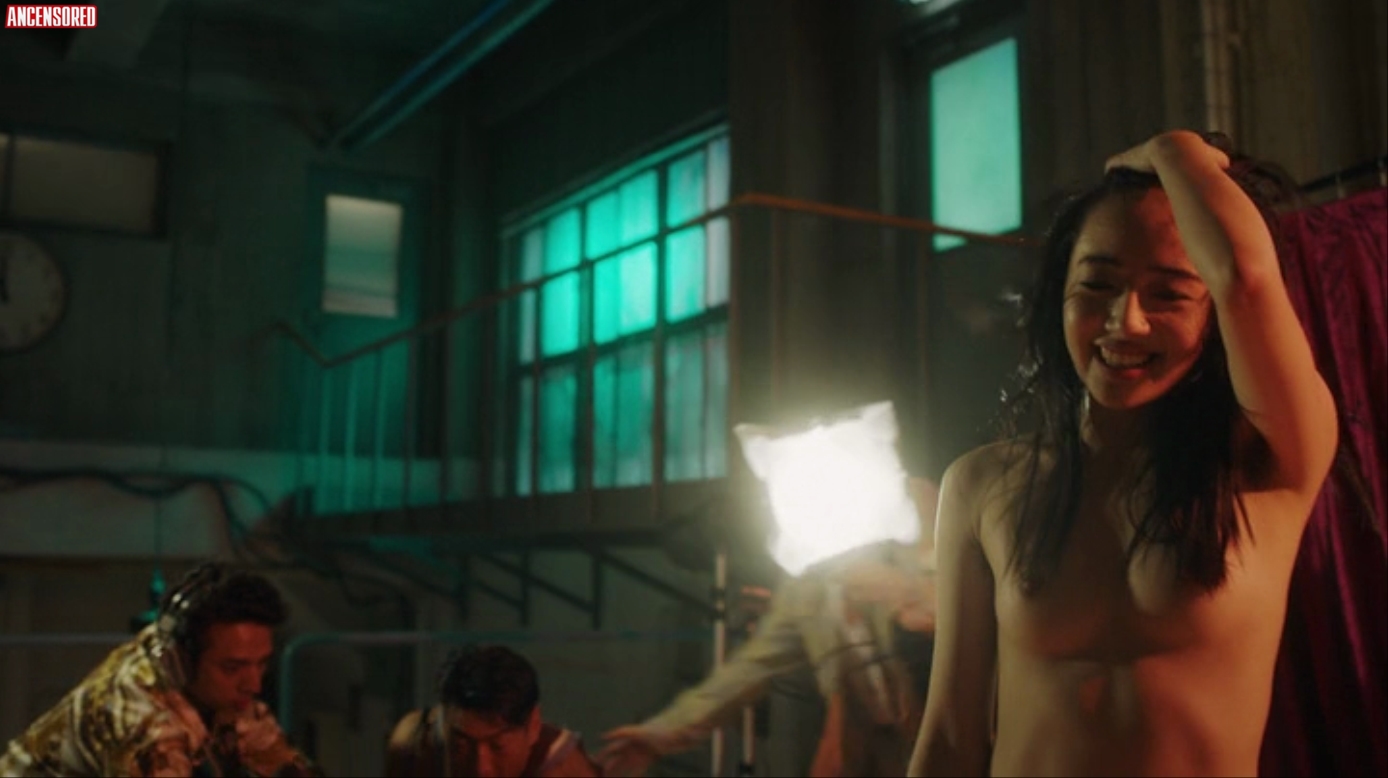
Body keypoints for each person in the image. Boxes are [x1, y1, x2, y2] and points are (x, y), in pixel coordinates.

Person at [908, 130, 1339, 777]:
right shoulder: (981, 484)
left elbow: (1246, 280)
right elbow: (949, 735)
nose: (1125, 321)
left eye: (1169, 294)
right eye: (1098, 284)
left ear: (1214, 317)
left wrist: (1175, 151)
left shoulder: (1266, 462)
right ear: (1059, 293)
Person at [599, 478, 941, 777]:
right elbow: (746, 671)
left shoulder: (906, 537)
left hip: (946, 732)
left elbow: (954, 611)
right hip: (870, 746)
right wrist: (660, 733)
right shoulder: (805, 591)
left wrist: (908, 589)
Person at [0, 563, 320, 777]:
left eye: (261, 664)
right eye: (232, 667)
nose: (253, 684)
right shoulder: (142, 719)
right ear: (179, 660)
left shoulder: (185, 647)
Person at [384, 644, 600, 777]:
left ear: (533, 726)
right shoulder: (417, 745)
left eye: (497, 747)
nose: (480, 769)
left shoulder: (562, 768)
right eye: (461, 746)